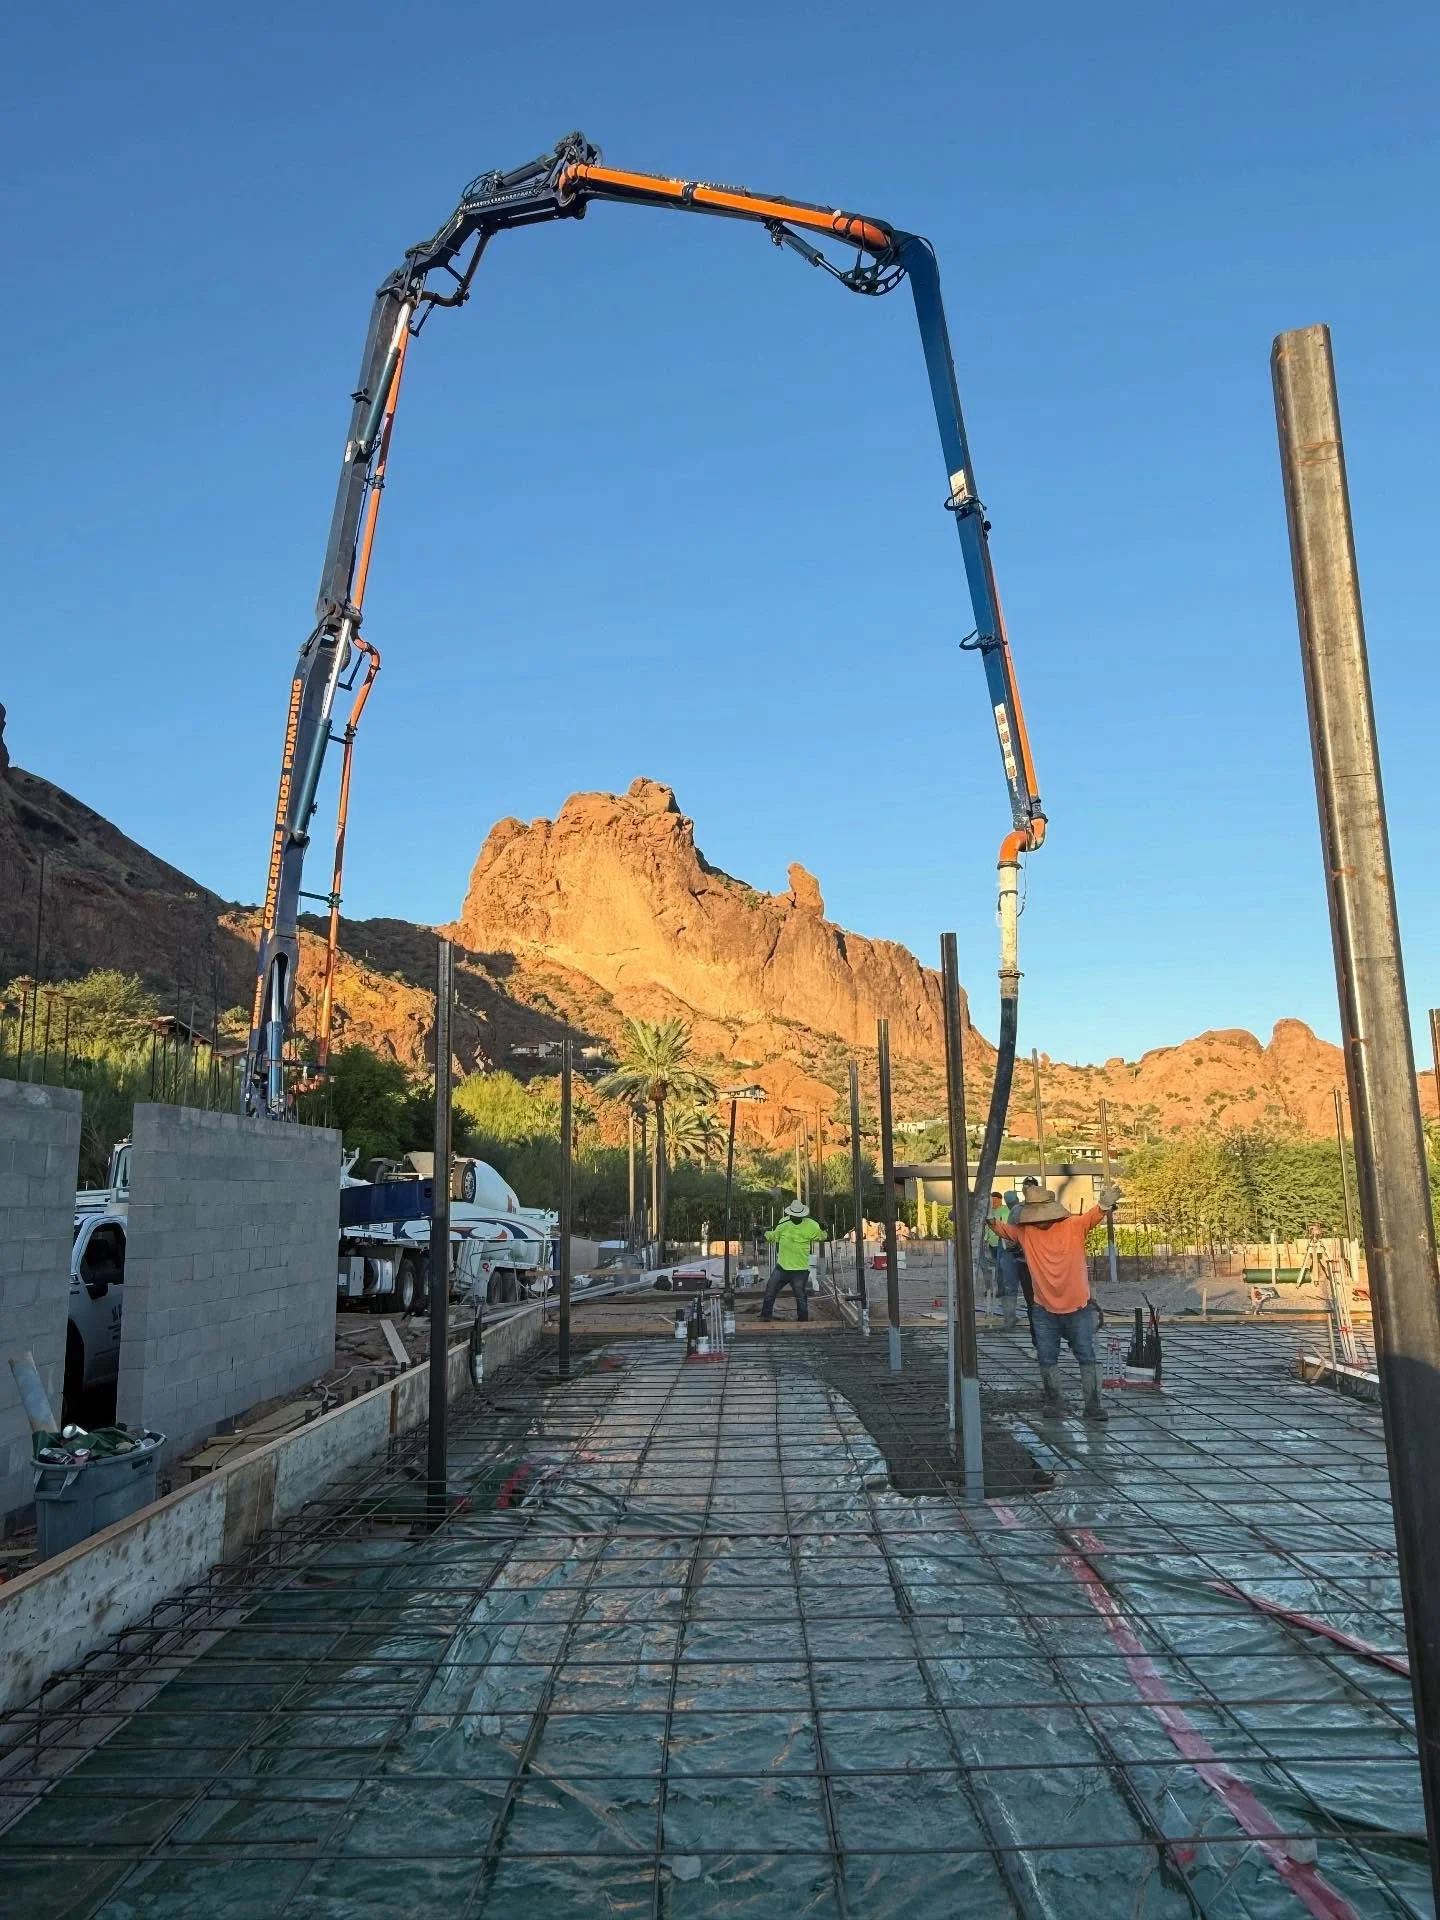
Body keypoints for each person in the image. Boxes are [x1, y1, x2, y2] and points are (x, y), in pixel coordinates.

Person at [996, 1181, 1121, 1420]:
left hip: (1078, 1307)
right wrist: (985, 1217)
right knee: (1046, 1356)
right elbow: (1002, 1229)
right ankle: (1054, 1402)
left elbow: (1092, 1217)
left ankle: (1093, 1406)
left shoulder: (1073, 1226)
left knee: (1086, 1356)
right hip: (1043, 1309)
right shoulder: (1026, 1232)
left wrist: (1104, 1205)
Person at [761, 1200, 826, 1322]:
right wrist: (764, 1233)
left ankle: (803, 1321)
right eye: (793, 1215)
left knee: (800, 1297)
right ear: (790, 1214)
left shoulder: (812, 1225)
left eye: (797, 1216)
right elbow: (774, 1236)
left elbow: (822, 1236)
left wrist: (823, 1229)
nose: (795, 1217)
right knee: (770, 1290)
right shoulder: (783, 1223)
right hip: (782, 1267)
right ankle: (765, 1316)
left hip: (800, 1270)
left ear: (802, 1215)